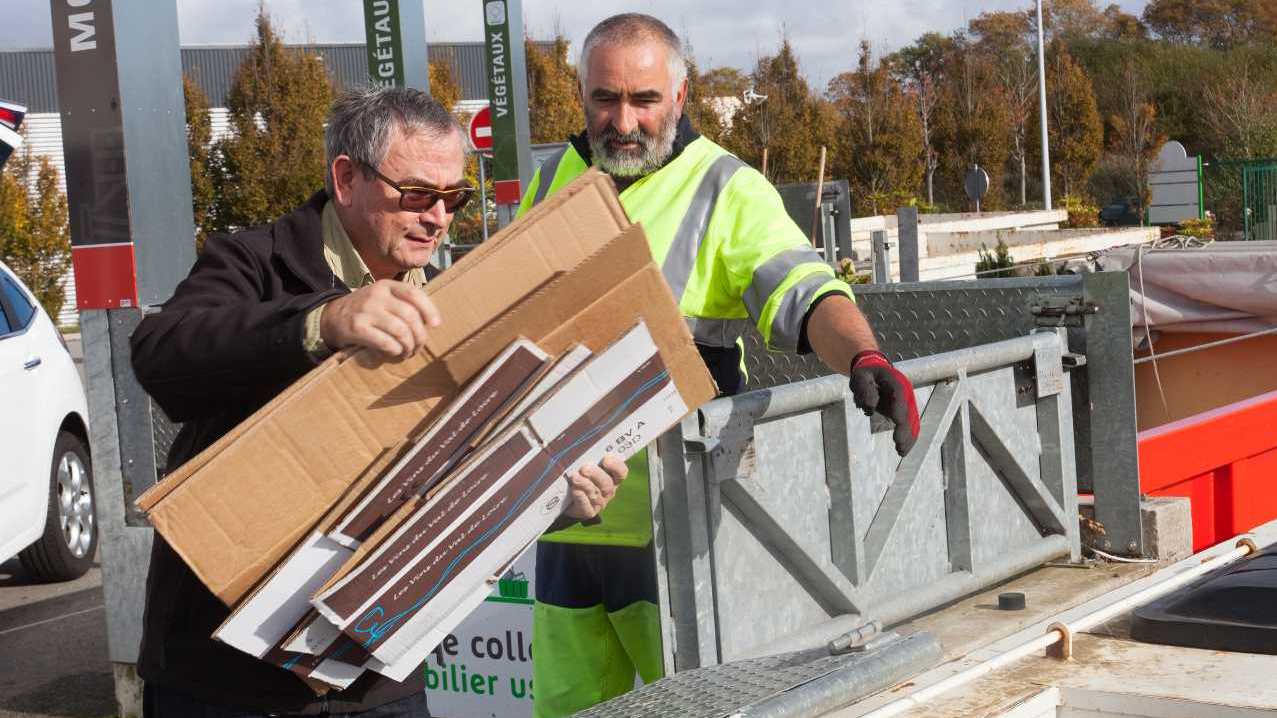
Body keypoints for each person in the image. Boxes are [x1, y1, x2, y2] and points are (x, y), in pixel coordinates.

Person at [130, 87, 628, 718]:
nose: (439, 218)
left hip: (380, 672)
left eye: (454, 199)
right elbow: (162, 353)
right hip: (228, 679)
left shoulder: (457, 300)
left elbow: (465, 477)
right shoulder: (254, 261)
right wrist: (322, 322)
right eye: (418, 194)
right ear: (345, 178)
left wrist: (554, 498)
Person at [518, 14, 922, 717]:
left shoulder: (723, 187)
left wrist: (862, 353)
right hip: (564, 518)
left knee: (692, 708)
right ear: (580, 95)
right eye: (604, 99)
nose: (622, 120)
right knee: (566, 708)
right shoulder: (555, 176)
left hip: (675, 526)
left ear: (679, 96)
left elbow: (805, 290)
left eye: (643, 100)